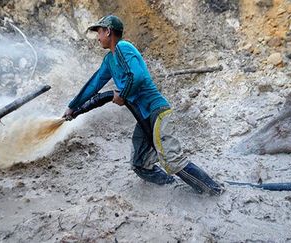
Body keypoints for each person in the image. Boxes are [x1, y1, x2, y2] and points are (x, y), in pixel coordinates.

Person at [63, 15, 222, 195]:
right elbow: (94, 84)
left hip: (157, 111)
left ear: (108, 31)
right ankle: (171, 187)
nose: (97, 37)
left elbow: (136, 76)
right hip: (144, 116)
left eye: (99, 32)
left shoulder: (123, 47)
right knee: (140, 164)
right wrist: (73, 107)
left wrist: (122, 95)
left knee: (171, 159)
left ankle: (214, 192)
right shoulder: (109, 60)